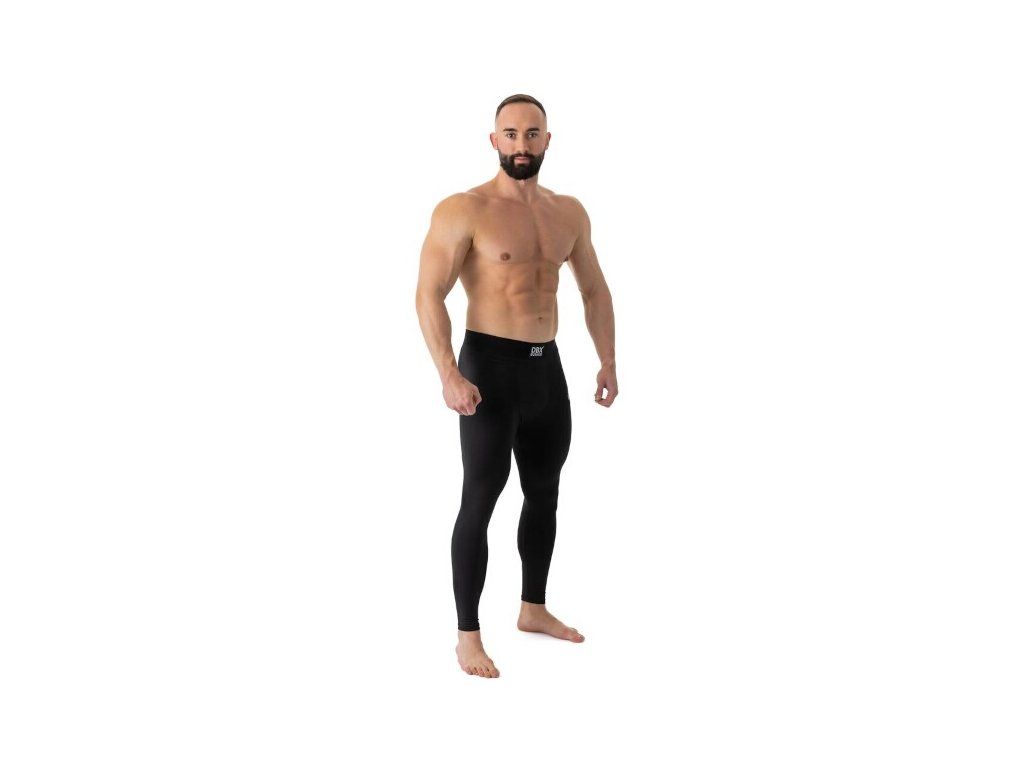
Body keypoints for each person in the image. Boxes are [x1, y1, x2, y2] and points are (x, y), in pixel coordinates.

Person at [415, 94, 618, 678]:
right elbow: (428, 293)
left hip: (545, 369)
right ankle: (467, 637)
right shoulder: (464, 209)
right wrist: (449, 373)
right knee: (480, 498)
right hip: (488, 370)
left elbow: (594, 289)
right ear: (494, 140)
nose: (521, 145)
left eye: (532, 134)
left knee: (545, 491)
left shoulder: (568, 212)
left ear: (547, 140)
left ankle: (533, 608)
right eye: (510, 134)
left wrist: (607, 359)